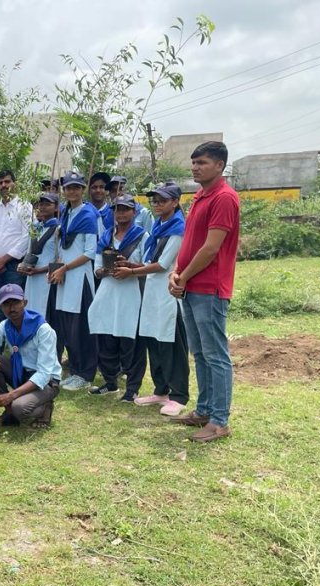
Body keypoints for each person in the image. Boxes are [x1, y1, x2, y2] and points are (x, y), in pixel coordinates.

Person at [169, 141, 240, 442]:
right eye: (194, 162)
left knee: (215, 355)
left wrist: (182, 276)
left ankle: (220, 421)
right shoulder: (200, 195)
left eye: (203, 162)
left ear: (220, 166)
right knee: (199, 353)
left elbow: (211, 249)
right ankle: (205, 410)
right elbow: (191, 242)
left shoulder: (224, 198)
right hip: (190, 285)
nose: (195, 167)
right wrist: (177, 272)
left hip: (208, 288)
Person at [115, 183, 190, 416]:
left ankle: (178, 395)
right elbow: (151, 261)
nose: (157, 204)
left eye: (162, 200)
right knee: (154, 342)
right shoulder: (158, 226)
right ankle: (161, 389)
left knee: (171, 344)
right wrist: (132, 265)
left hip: (168, 294)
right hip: (152, 292)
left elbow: (163, 264)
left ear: (175, 202)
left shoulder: (177, 228)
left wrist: (132, 272)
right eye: (154, 200)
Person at [87, 194, 148, 401]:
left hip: (131, 293)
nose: (121, 213)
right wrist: (104, 270)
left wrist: (129, 269)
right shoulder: (105, 237)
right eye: (117, 209)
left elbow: (149, 266)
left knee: (130, 340)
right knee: (106, 337)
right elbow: (96, 268)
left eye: (125, 209)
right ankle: (110, 381)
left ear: (134, 211)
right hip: (107, 292)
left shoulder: (142, 236)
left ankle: (132, 387)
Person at [0, 285, 62, 428]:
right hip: (22, 374)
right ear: (1, 307)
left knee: (19, 407)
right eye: (6, 304)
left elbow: (44, 373)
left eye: (15, 302)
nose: (11, 308)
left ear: (24, 303)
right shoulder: (5, 326)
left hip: (47, 381)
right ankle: (9, 411)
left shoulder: (43, 329)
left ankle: (44, 407)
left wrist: (11, 395)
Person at [48, 172, 100, 390]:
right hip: (64, 278)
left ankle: (86, 373)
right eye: (68, 188)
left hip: (79, 279)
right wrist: (58, 265)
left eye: (76, 187)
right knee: (68, 327)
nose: (72, 191)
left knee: (82, 329)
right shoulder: (66, 213)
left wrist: (66, 268)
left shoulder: (89, 214)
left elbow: (89, 252)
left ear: (82, 189)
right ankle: (76, 368)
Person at [0, 170, 30, 330]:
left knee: (16, 310)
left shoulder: (25, 206)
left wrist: (3, 260)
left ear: (15, 184)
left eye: (7, 182)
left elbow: (26, 238)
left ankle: (17, 350)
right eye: (0, 182)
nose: (4, 185)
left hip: (13, 268)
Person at [21, 192, 59, 319]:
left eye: (47, 204)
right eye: (41, 204)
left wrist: (40, 270)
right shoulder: (36, 228)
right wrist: (24, 266)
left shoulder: (58, 229)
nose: (43, 207)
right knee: (29, 308)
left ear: (56, 207)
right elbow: (29, 251)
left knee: (43, 312)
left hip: (46, 277)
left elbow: (59, 258)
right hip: (31, 277)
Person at [88, 172, 112, 236]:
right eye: (94, 187)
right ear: (89, 190)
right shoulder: (84, 212)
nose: (98, 190)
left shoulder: (112, 213)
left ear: (107, 191)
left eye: (102, 187)